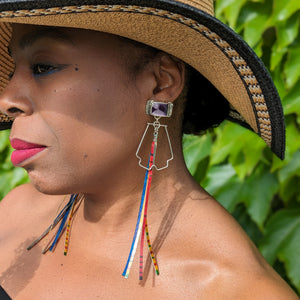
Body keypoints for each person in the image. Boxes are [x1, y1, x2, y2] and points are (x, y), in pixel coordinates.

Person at [0, 0, 298, 299]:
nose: (7, 99)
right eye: (14, 70)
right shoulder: (14, 212)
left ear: (161, 82)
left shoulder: (234, 290)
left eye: (43, 67)